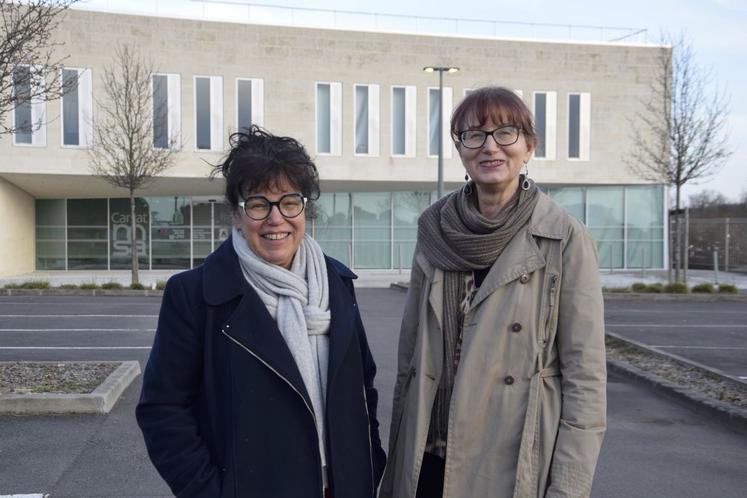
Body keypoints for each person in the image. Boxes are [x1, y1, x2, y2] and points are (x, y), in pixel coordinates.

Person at [379, 87, 606, 498]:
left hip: (511, 462)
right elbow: (410, 361)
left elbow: (585, 377)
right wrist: (395, 466)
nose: (490, 147)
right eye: (474, 135)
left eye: (505, 133)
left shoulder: (562, 237)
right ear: (460, 149)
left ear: (529, 146)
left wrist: (569, 488)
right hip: (427, 456)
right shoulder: (434, 229)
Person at [136, 125, 386, 498]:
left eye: (289, 202)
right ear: (236, 215)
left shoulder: (336, 282)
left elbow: (362, 385)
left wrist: (370, 461)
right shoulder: (195, 296)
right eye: (258, 204)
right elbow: (163, 410)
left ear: (304, 208)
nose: (275, 219)